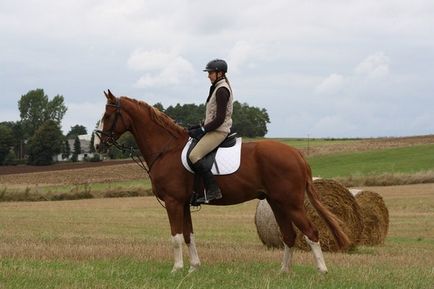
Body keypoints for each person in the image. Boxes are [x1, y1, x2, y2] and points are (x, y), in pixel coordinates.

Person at [188, 59, 234, 203]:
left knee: (194, 155)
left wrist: (202, 130)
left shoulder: (221, 90)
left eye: (210, 73)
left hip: (219, 131)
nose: (208, 76)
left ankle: (213, 190)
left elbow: (219, 119)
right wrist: (199, 126)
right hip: (213, 129)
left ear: (219, 73)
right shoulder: (216, 87)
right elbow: (212, 116)